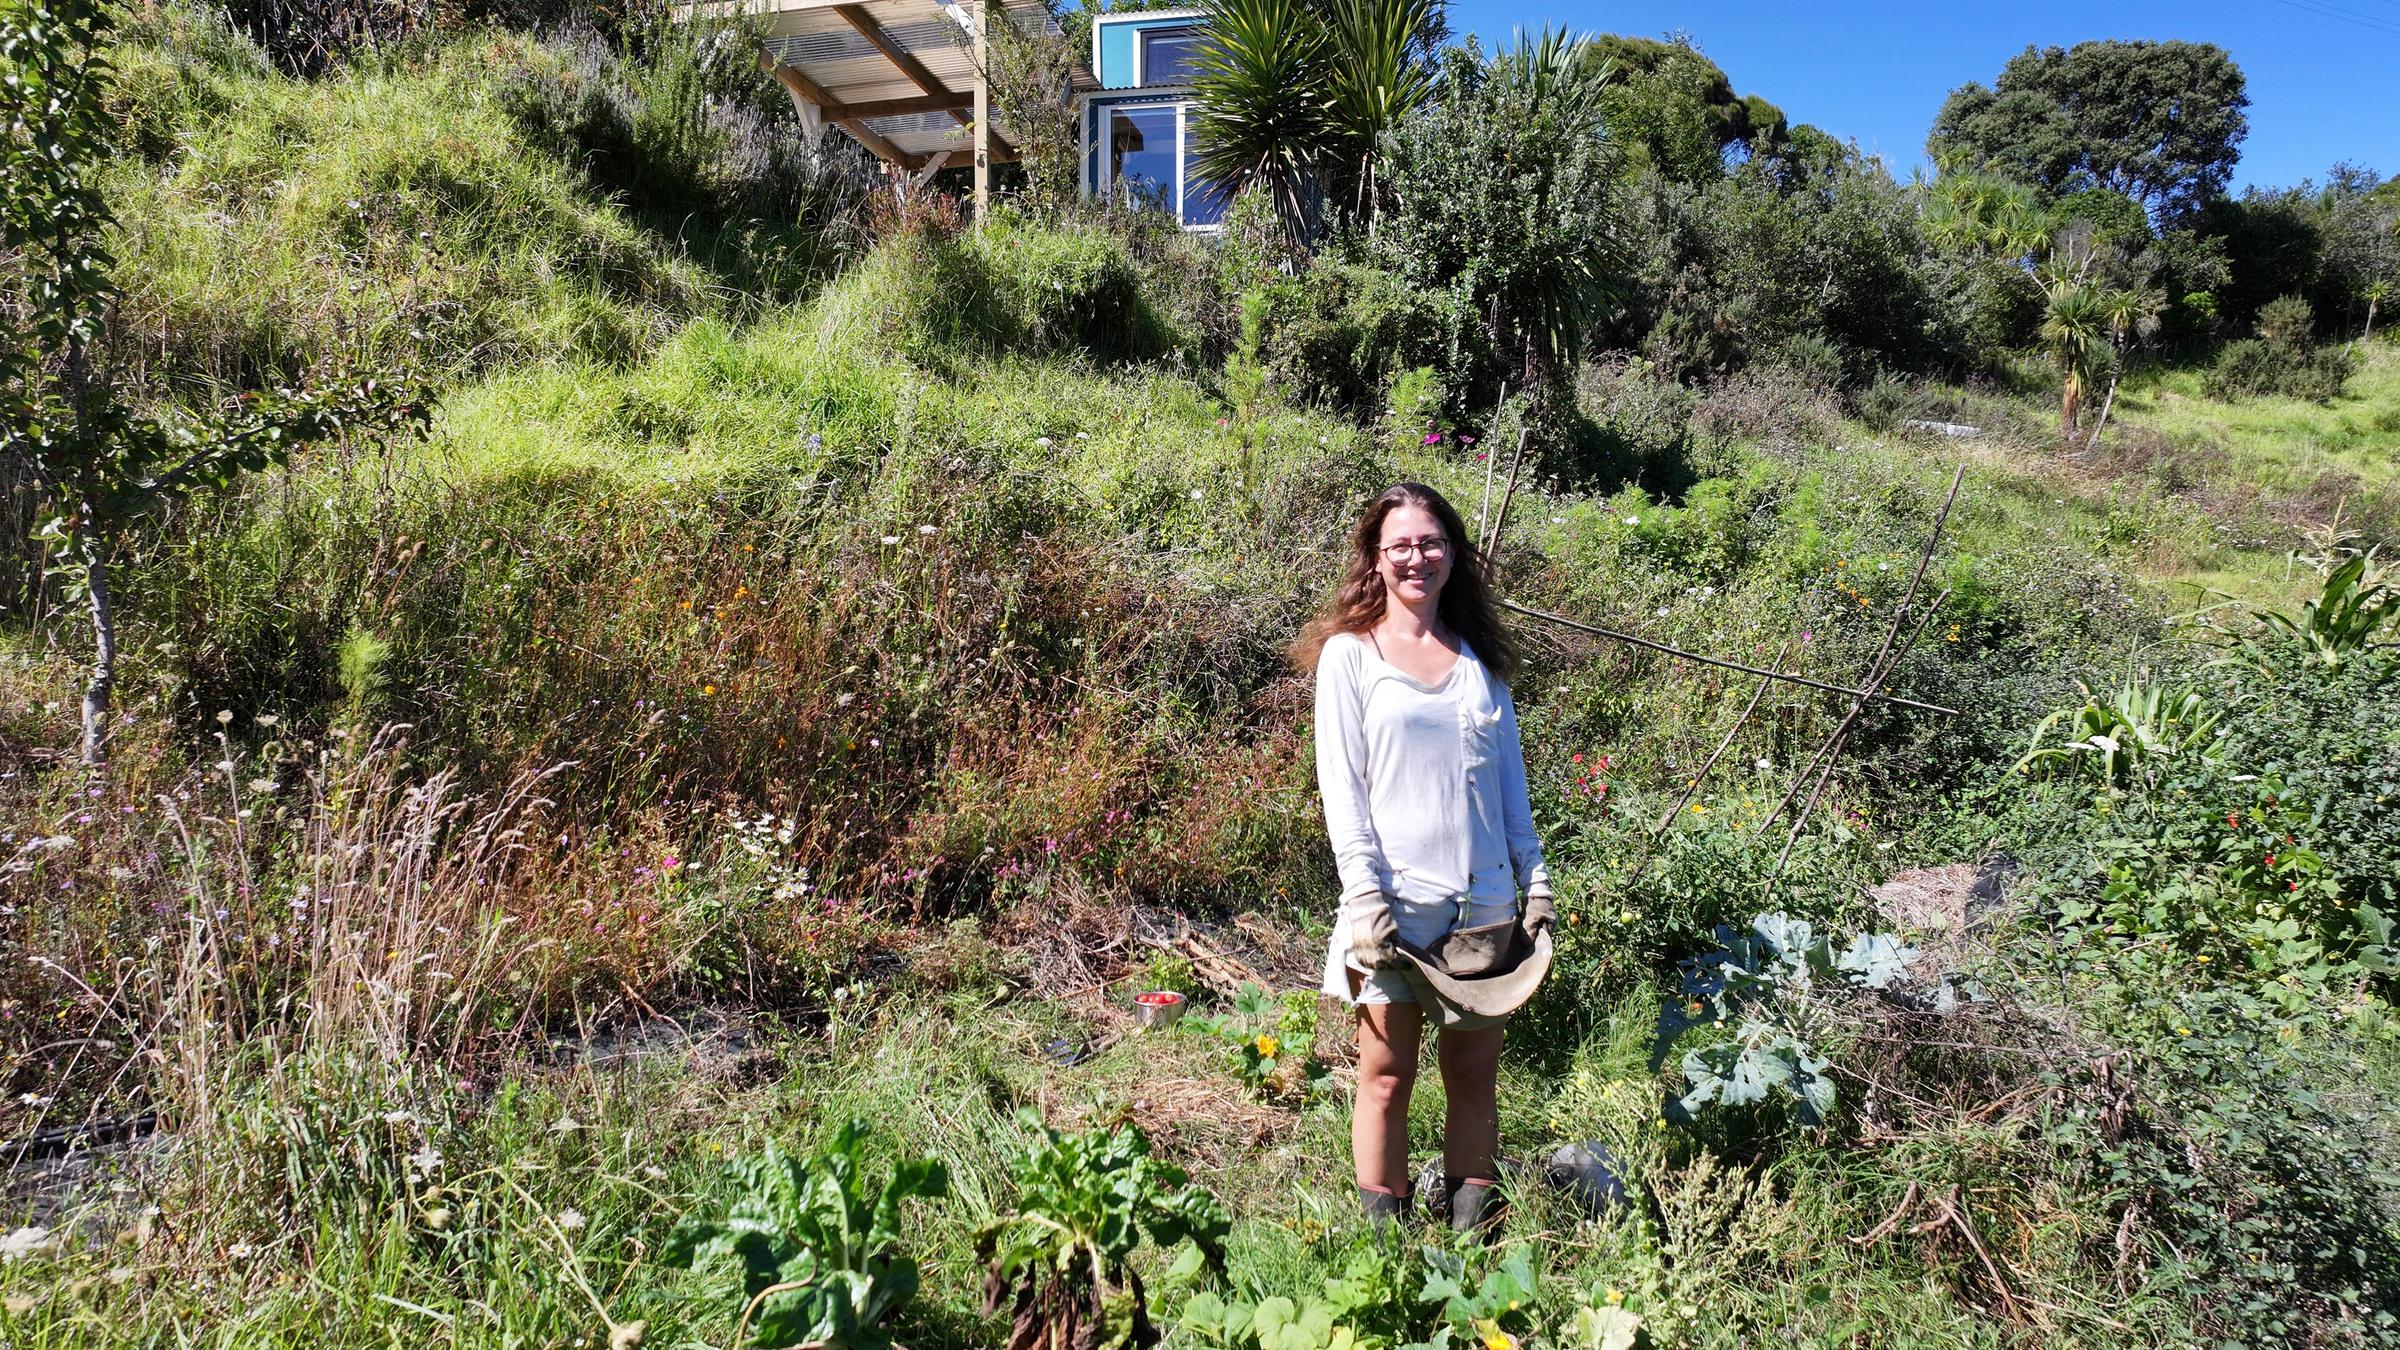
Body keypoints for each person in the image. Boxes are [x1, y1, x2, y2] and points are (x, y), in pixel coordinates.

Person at [1289, 481, 1556, 1234]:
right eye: (1400, 545)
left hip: (1484, 908)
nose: (1418, 557)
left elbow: (1511, 793)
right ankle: (1388, 1250)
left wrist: (1536, 882)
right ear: (1375, 559)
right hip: (1393, 913)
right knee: (1383, 1075)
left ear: (1453, 555)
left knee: (1474, 1077)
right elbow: (1343, 793)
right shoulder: (1351, 659)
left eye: (1431, 543)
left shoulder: (1480, 665)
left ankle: (1474, 1238)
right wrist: (1363, 897)